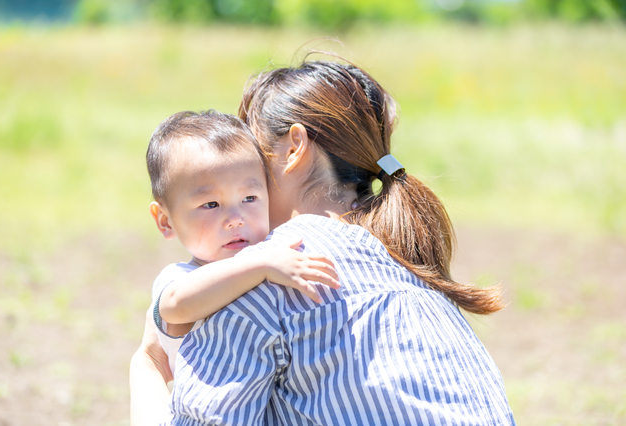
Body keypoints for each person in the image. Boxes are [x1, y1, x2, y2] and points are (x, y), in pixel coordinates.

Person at [131, 60, 516, 425]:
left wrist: (146, 367)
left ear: (294, 148)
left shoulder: (273, 272)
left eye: (252, 162)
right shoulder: (406, 261)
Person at [144, 110, 341, 375]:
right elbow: (176, 305)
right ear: (166, 221)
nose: (235, 219)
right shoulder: (180, 278)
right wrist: (261, 264)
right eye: (210, 204)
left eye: (249, 198)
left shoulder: (277, 253)